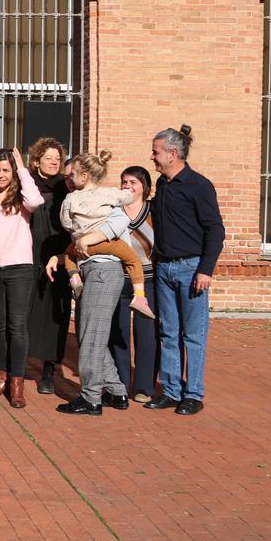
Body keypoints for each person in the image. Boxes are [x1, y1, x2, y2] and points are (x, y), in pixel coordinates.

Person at [147, 125, 225, 416]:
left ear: (172, 153)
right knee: (168, 333)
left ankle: (192, 394)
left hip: (191, 269)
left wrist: (206, 270)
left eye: (156, 152)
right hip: (164, 268)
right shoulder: (163, 185)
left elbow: (215, 229)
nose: (152, 157)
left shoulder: (199, 185)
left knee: (193, 334)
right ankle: (170, 390)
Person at [52, 151, 136, 417]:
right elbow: (129, 197)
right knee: (94, 335)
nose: (68, 179)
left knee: (89, 337)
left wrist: (83, 236)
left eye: (72, 174)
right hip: (98, 269)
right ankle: (116, 390)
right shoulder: (111, 196)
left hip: (101, 270)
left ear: (84, 175)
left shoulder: (71, 200)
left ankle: (91, 398)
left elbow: (66, 222)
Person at [0, 147, 43, 407]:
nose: (0, 174)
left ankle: (17, 383)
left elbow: (37, 201)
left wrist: (22, 167)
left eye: (6, 170)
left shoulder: (22, 196)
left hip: (19, 268)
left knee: (17, 327)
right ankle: (2, 377)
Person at [26, 137, 72, 395]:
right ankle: (17, 366)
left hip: (60, 256)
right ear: (36, 161)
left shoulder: (66, 188)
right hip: (29, 254)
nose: (54, 162)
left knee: (56, 315)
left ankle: (48, 370)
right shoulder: (27, 185)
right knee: (25, 311)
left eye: (58, 158)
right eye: (49, 158)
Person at [114, 166, 158, 402]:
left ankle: (143, 387)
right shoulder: (114, 211)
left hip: (148, 279)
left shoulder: (155, 211)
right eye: (124, 182)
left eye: (133, 182)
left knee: (146, 333)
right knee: (119, 332)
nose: (128, 187)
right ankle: (120, 385)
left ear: (145, 187)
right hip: (119, 278)